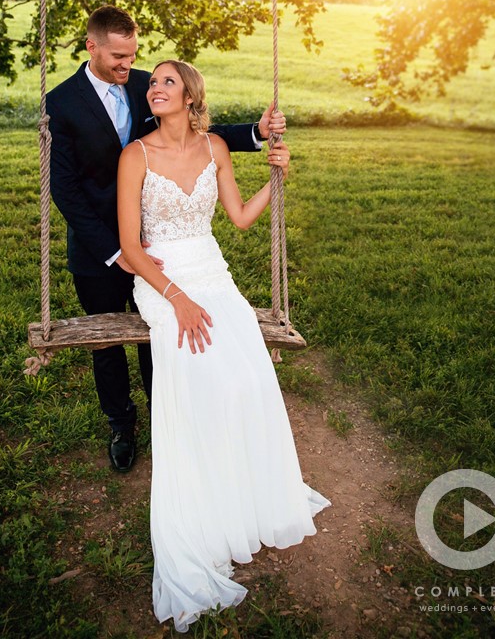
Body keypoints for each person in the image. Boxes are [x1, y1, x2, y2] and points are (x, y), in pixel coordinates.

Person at [117, 59, 331, 632]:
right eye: (153, 82)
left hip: (215, 275)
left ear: (190, 97)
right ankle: (203, 516)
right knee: (199, 381)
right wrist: (178, 298)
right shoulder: (134, 156)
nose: (154, 87)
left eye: (166, 80)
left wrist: (276, 180)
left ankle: (245, 497)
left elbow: (236, 219)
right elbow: (130, 248)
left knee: (248, 379)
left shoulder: (215, 148)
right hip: (162, 283)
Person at [46, 5, 287, 473]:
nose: (128, 65)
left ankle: (168, 418)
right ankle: (121, 424)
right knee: (107, 346)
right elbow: (66, 190)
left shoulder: (145, 86)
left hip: (165, 244)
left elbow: (193, 135)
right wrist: (120, 252)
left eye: (133, 54)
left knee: (159, 342)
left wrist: (257, 135)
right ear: (91, 46)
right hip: (101, 250)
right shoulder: (61, 103)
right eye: (118, 56)